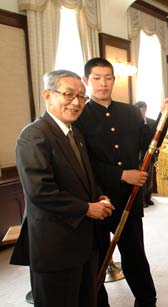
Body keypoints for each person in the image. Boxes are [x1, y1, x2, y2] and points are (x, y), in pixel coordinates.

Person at [75, 58, 168, 307]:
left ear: (114, 79)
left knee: (135, 257)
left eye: (108, 78)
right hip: (96, 201)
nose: (103, 84)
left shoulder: (130, 112)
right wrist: (121, 175)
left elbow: (149, 143)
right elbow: (81, 162)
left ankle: (146, 301)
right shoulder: (78, 116)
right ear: (86, 81)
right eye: (97, 78)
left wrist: (164, 116)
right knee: (97, 258)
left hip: (129, 201)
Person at [10, 70, 114, 307]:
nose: (76, 102)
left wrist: (99, 194)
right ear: (48, 95)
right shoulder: (34, 135)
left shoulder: (74, 132)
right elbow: (40, 191)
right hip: (55, 244)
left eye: (81, 96)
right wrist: (87, 208)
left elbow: (84, 176)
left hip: (83, 242)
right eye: (68, 94)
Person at [134, 101, 156, 208]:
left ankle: (148, 198)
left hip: (150, 154)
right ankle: (141, 201)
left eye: (142, 110)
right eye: (139, 110)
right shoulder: (132, 123)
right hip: (138, 155)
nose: (141, 112)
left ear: (145, 109)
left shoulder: (152, 122)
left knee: (149, 178)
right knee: (141, 179)